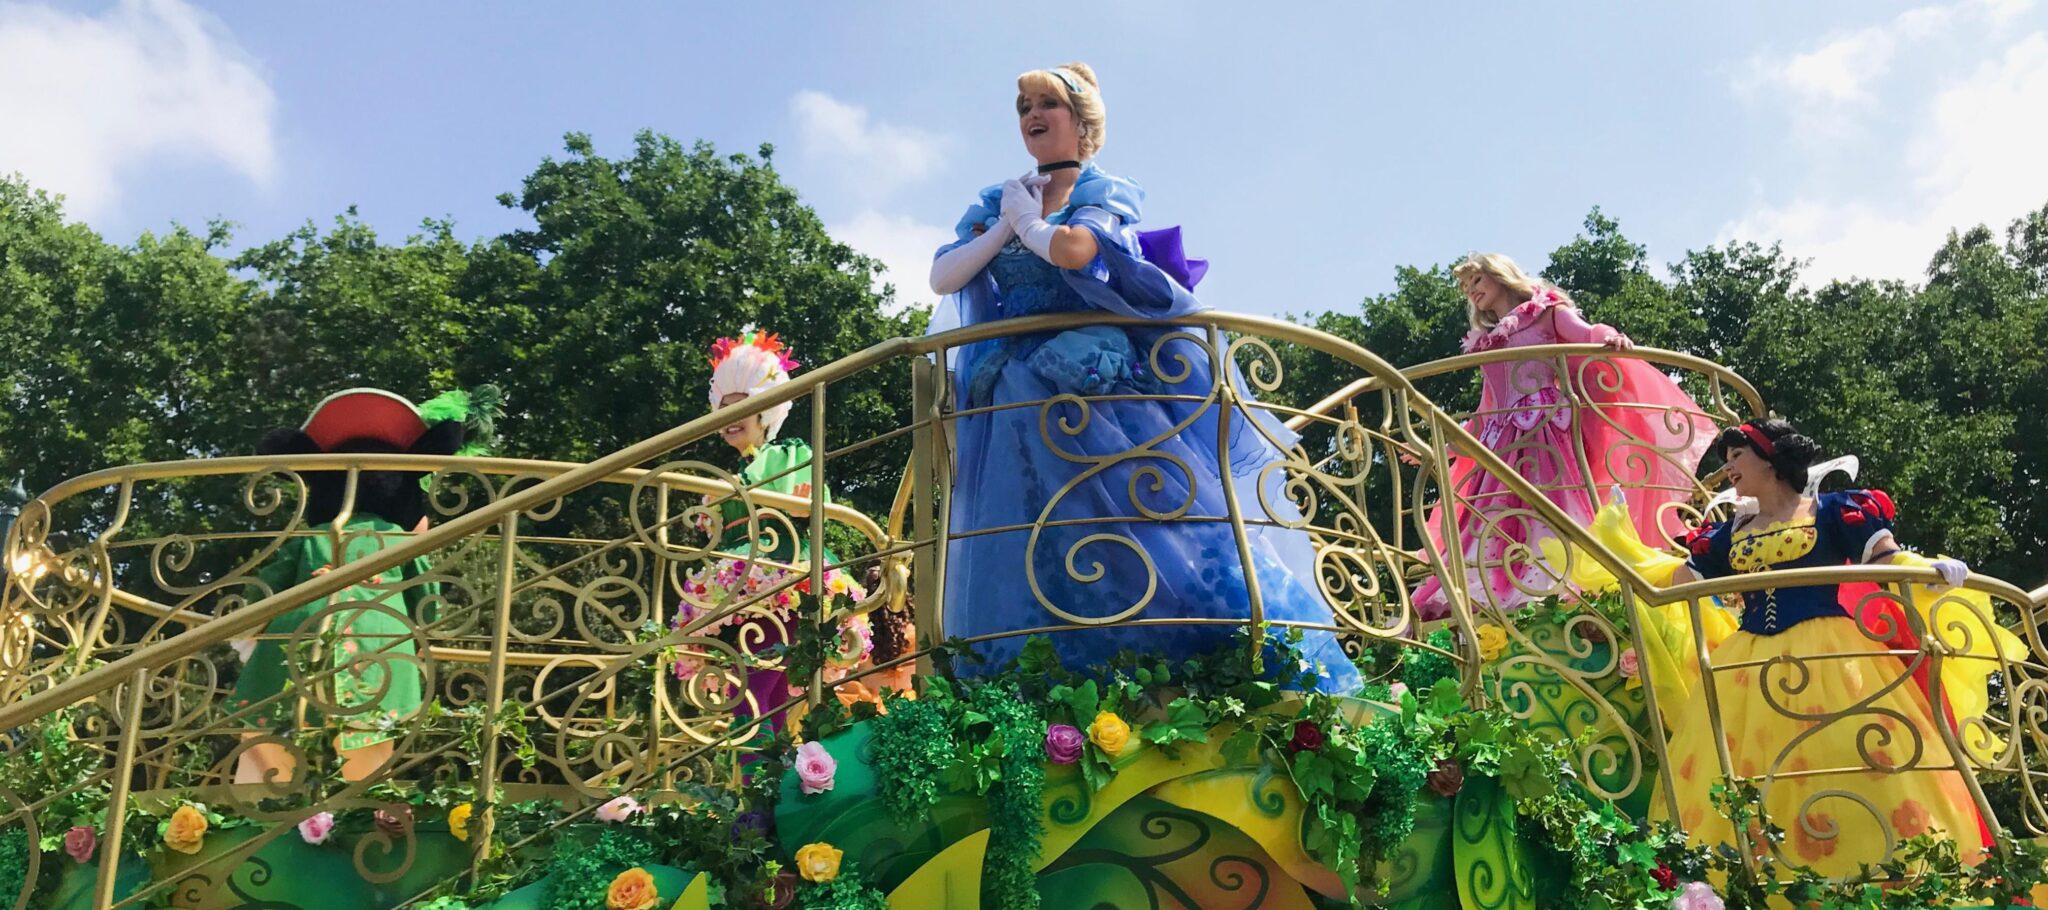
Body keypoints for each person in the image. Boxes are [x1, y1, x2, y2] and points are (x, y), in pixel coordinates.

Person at [926, 63, 1358, 690]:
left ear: (1082, 120)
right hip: (1016, 387)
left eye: (1048, 102)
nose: (1032, 115)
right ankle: (1051, 683)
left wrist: (1025, 226)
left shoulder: (1103, 187)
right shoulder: (998, 198)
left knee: (1146, 517)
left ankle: (1212, 656)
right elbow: (944, 278)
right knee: (1034, 534)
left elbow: (1078, 250)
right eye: (1023, 105)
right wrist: (1003, 222)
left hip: (1094, 376)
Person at [1652, 419, 1992, 874]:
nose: (1729, 467)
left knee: (1855, 759)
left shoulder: (1833, 510)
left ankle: (1865, 877)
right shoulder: (1729, 534)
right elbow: (1677, 582)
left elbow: (1886, 559)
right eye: (1725, 459)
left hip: (1832, 659)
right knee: (1738, 775)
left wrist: (1928, 569)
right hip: (1746, 666)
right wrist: (1625, 556)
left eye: (1738, 455)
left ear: (1771, 458)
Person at [1413, 254, 1713, 618]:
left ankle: (1557, 580)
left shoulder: (1546, 312)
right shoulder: (1486, 340)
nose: (1471, 291)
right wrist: (1447, 448)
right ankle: (1495, 586)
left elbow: (1586, 336)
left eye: (1477, 280)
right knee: (1493, 513)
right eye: (1465, 287)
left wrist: (1611, 338)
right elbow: (1485, 408)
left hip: (1544, 427)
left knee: (1549, 503)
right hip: (1501, 438)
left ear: (1500, 276)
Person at [233, 387, 496, 783]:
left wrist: (245, 629)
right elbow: (428, 601)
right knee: (363, 761)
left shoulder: (315, 536)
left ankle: (258, 818)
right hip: (380, 658)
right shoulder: (397, 540)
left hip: (293, 653)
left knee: (270, 757)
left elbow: (266, 589)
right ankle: (352, 816)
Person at [671, 332, 873, 729]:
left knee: (765, 692)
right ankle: (761, 784)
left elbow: (810, 502)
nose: (729, 417)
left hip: (781, 580)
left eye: (741, 406)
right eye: (723, 408)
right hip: (740, 591)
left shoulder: (788, 454)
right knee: (755, 694)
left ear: (766, 411)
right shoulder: (728, 478)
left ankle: (761, 784)